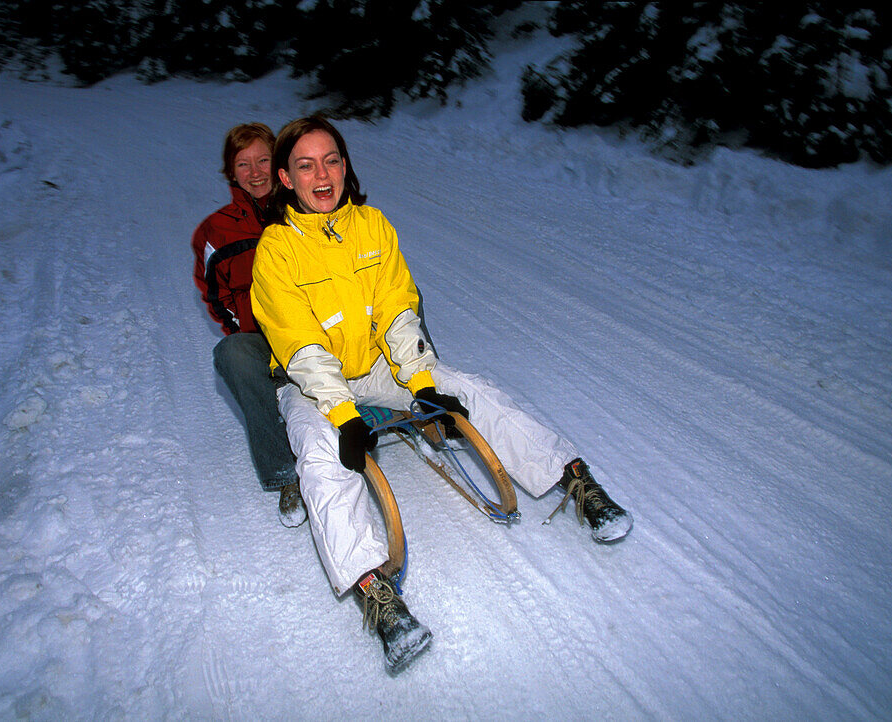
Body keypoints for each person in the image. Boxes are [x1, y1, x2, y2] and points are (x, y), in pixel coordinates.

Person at [250, 116, 633, 672]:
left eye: (332, 160)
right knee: (320, 452)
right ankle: (375, 593)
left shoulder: (372, 227)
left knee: (469, 388)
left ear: (345, 164)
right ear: (285, 178)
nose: (323, 175)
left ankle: (574, 478)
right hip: (312, 383)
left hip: (377, 366)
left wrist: (424, 387)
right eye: (305, 165)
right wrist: (344, 415)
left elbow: (398, 311)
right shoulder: (277, 250)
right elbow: (301, 344)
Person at [191, 122, 305, 527]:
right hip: (265, 343)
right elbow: (215, 297)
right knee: (232, 352)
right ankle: (284, 472)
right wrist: (251, 330)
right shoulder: (215, 231)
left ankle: (421, 400)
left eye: (263, 160)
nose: (256, 172)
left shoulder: (305, 207)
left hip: (319, 332)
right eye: (244, 164)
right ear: (230, 172)